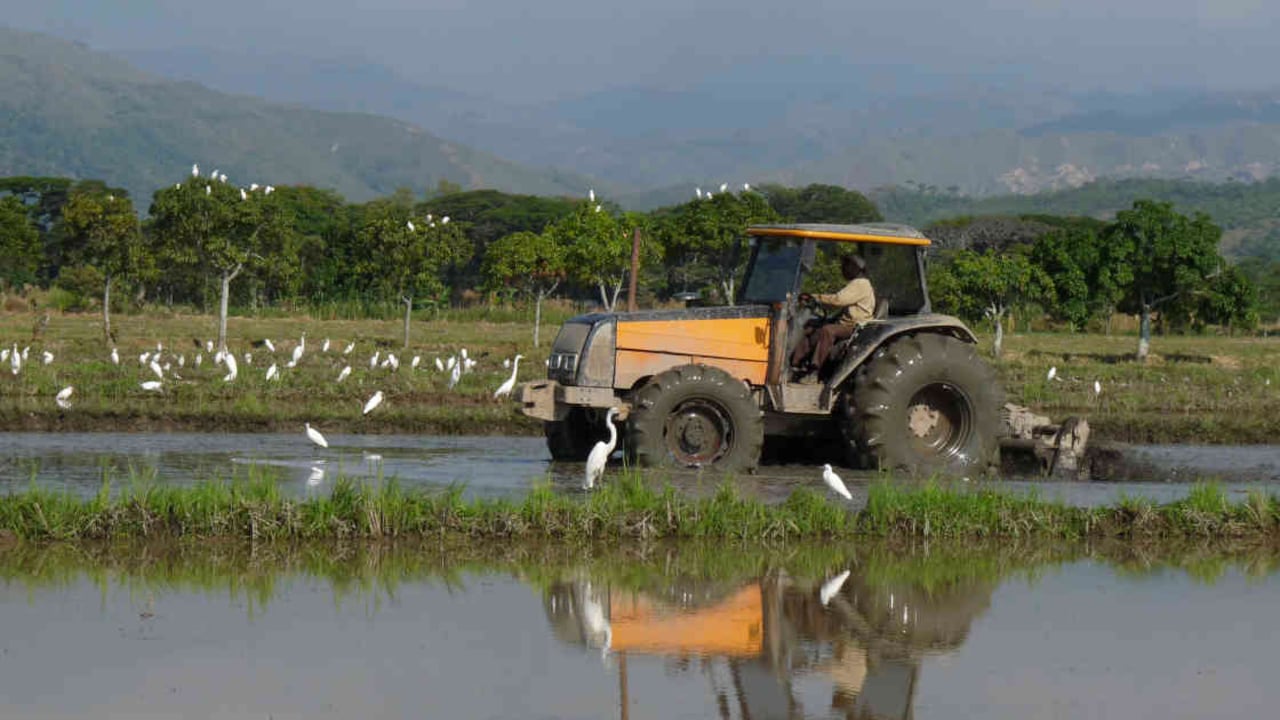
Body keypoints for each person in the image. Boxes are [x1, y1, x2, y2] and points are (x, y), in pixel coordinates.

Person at [790, 254, 875, 382]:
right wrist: (815, 299)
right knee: (812, 327)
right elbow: (837, 303)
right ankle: (795, 364)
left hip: (856, 327)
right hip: (845, 324)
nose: (843, 269)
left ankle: (815, 371)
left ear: (854, 268)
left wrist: (817, 297)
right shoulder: (855, 283)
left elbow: (839, 300)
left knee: (828, 330)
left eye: (845, 266)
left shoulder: (861, 284)